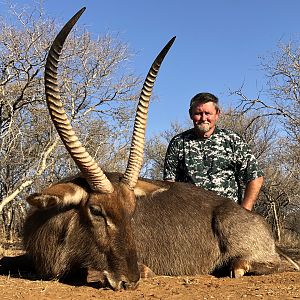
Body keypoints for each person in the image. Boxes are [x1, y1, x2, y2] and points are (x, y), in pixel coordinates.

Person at [163, 92, 264, 211]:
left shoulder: (232, 140)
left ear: (217, 114)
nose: (203, 118)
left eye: (208, 113)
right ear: (190, 114)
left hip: (230, 217)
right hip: (190, 218)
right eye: (198, 113)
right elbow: (169, 185)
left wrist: (245, 211)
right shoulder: (178, 142)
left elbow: (255, 177)